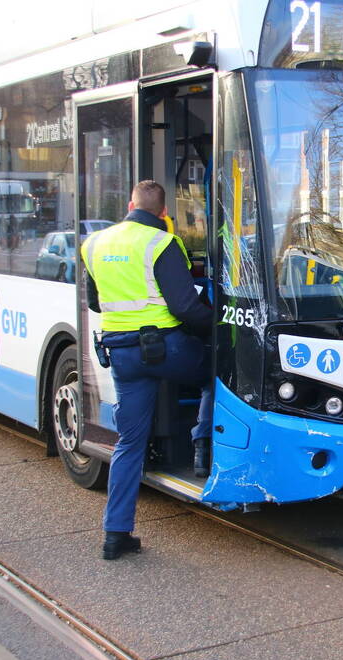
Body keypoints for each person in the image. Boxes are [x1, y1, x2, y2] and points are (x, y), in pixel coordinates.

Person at [82, 180, 213, 561]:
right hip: (166, 350)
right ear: (163, 214)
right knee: (215, 375)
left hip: (121, 353)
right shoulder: (161, 243)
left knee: (129, 442)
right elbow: (186, 307)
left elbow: (94, 301)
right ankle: (202, 447)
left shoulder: (94, 244)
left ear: (129, 205)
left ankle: (115, 534)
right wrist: (216, 327)